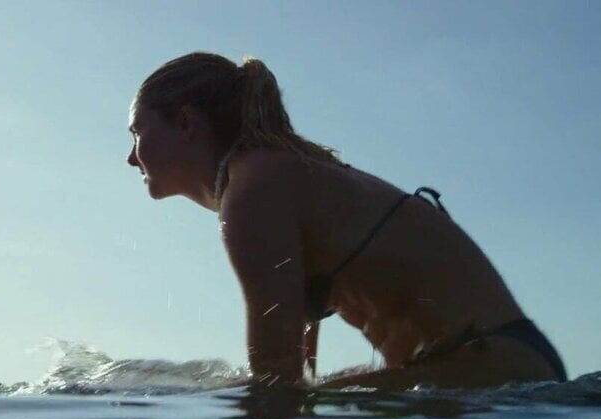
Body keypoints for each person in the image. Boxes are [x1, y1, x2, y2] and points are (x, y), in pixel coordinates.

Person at [125, 52, 567, 390]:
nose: (131, 158)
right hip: (509, 363)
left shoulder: (254, 188)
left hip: (495, 370)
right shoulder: (278, 173)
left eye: (137, 133)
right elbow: (297, 372)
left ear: (186, 123)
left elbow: (276, 382)